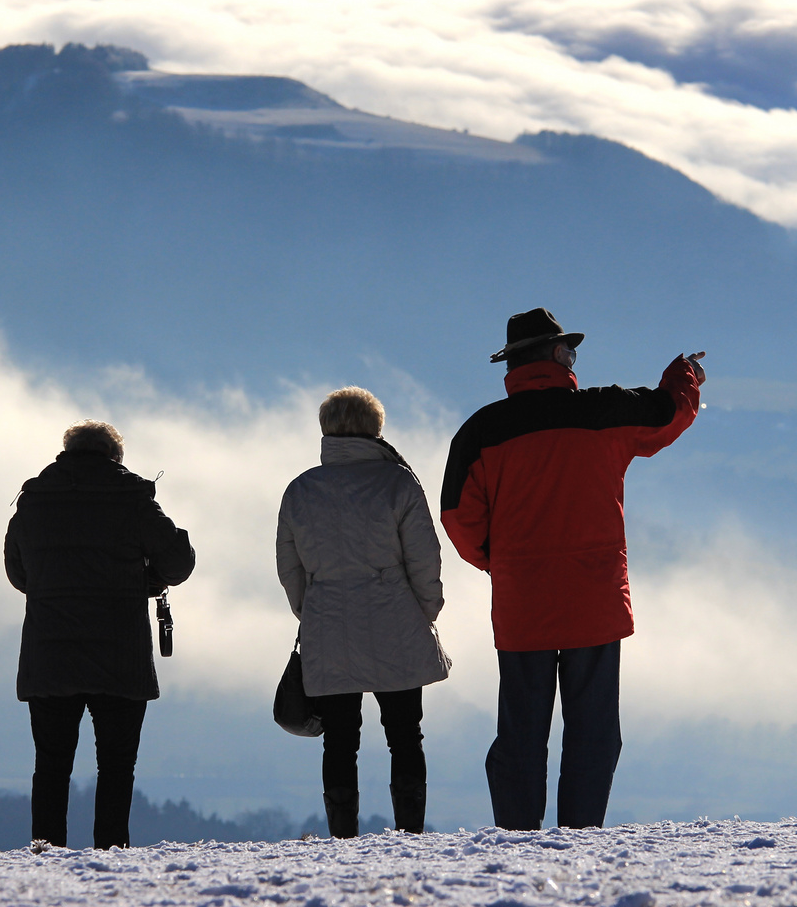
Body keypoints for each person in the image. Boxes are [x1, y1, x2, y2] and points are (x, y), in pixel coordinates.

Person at [439, 309, 703, 830]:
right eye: (570, 350)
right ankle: (580, 840)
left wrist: (502, 563)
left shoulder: (480, 431)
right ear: (558, 355)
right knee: (594, 730)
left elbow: (458, 518)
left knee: (521, 731)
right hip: (594, 600)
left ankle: (517, 841)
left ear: (513, 365)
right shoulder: (605, 411)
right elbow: (670, 413)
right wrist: (684, 376)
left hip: (523, 606)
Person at [4, 420, 196, 849]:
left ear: (67, 453)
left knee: (51, 763)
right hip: (120, 654)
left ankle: (45, 849)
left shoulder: (33, 501)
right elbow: (179, 563)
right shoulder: (133, 500)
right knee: (116, 763)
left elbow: (19, 574)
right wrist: (147, 581)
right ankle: (111, 854)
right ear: (115, 457)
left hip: (49, 654)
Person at [277, 386, 450, 838]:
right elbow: (424, 559)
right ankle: (411, 832)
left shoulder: (300, 489)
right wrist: (423, 611)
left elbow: (289, 568)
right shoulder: (398, 482)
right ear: (375, 429)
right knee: (405, 733)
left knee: (338, 739)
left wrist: (311, 611)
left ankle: (342, 837)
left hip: (328, 622)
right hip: (395, 616)